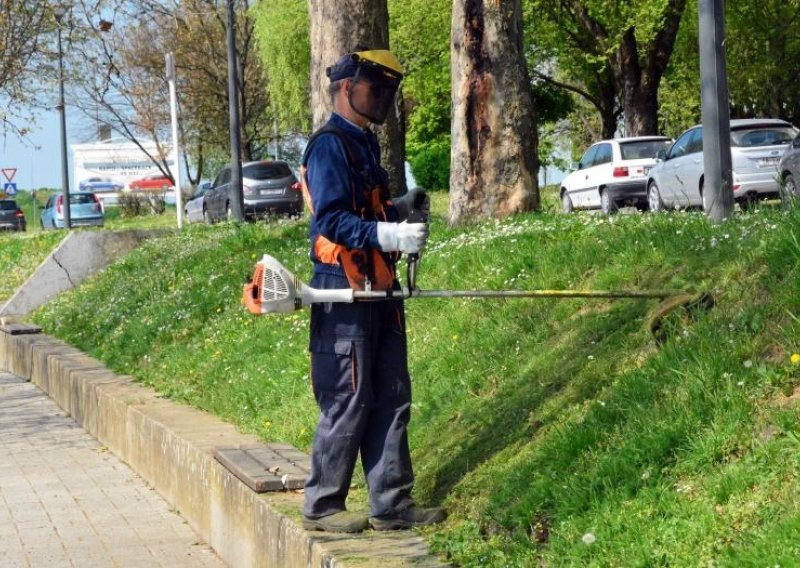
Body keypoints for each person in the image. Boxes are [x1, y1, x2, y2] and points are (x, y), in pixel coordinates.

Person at [299, 47, 445, 533]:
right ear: (347, 89)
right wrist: (387, 235)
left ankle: (392, 504)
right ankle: (323, 506)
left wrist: (400, 209)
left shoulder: (364, 143)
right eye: (376, 89)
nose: (384, 99)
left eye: (389, 91)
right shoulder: (329, 146)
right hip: (343, 290)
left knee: (391, 394)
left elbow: (369, 209)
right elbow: (334, 220)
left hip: (378, 287)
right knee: (349, 395)